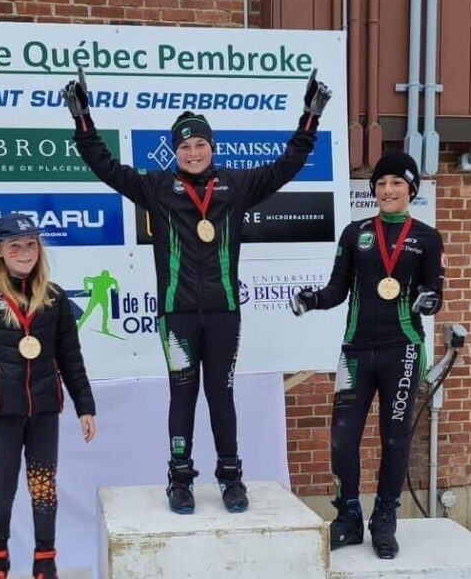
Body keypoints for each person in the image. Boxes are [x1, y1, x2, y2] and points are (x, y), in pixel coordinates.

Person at [61, 67, 331, 514]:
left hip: (224, 313)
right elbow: (104, 166)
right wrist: (84, 119)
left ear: (212, 147)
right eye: (184, 146)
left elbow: (287, 166)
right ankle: (180, 479)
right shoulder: (157, 188)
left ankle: (231, 476)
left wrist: (309, 118)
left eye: (200, 144)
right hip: (177, 317)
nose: (192, 152)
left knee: (221, 394)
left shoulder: (237, 186)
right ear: (175, 151)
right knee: (182, 392)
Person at [290, 150, 444, 558]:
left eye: (396, 183)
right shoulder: (354, 232)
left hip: (403, 351)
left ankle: (385, 520)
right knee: (342, 440)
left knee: (394, 439)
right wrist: (312, 299)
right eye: (381, 183)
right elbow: (337, 290)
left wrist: (427, 300)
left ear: (411, 189)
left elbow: (435, 293)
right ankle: (349, 517)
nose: (388, 190)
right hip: (356, 352)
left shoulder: (427, 237)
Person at [0, 213, 97, 579]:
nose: (24, 251)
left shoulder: (55, 297)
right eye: (14, 245)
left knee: (44, 490)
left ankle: (45, 562)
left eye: (30, 243)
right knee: (1, 492)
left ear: (39, 248)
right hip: (3, 412)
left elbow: (71, 357)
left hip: (45, 409)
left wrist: (85, 407)